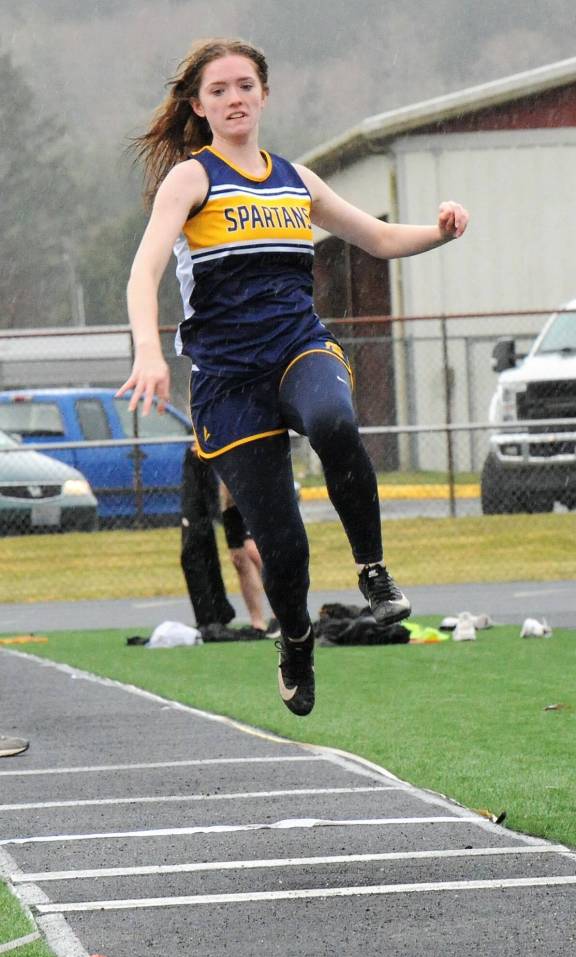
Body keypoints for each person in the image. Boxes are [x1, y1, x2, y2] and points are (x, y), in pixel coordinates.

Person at [118, 37, 469, 715]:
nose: (233, 98)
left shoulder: (295, 179)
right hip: (228, 378)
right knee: (282, 544)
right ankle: (297, 638)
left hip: (296, 347)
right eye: (217, 90)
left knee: (335, 420)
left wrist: (440, 230)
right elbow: (144, 270)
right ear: (199, 105)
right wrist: (148, 350)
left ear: (264, 94)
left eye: (244, 85)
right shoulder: (192, 179)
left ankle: (373, 571)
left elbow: (377, 237)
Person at [181, 442, 276, 636]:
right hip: (230, 497)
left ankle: (281, 616)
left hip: (251, 488)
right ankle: (258, 622)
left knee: (255, 553)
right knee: (239, 559)